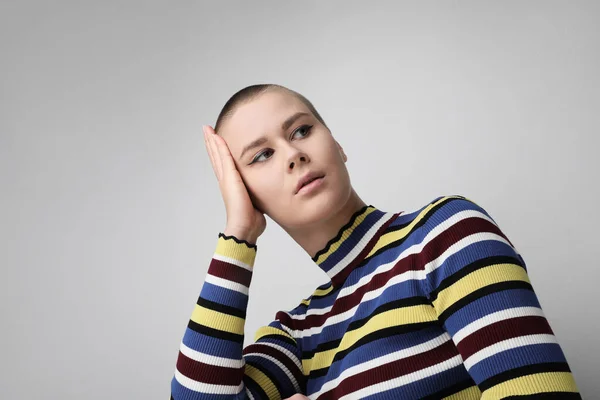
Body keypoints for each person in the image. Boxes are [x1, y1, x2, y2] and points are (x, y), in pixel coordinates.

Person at [169, 84, 581, 399]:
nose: (293, 154)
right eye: (261, 156)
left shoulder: (444, 233)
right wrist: (238, 233)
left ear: (337, 145)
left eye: (301, 130)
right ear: (246, 192)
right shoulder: (296, 333)